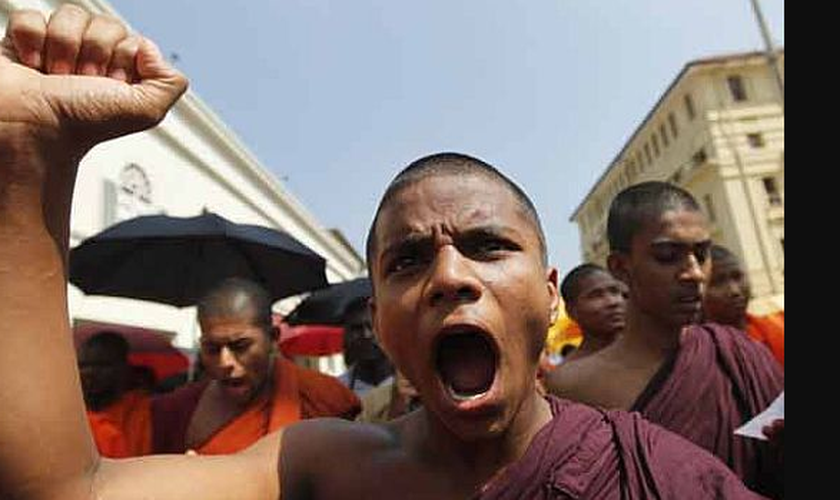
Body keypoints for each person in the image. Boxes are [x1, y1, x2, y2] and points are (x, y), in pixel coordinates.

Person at [0, 7, 766, 499]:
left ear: (550, 293)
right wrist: (31, 158)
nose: (450, 277)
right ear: (380, 319)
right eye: (407, 262)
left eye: (488, 246)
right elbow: (66, 489)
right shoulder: (320, 466)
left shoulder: (663, 476)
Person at [545, 182, 784, 498]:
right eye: (668, 256)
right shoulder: (571, 388)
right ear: (620, 267)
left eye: (702, 254)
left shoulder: (740, 355)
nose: (694, 273)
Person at [152, 277, 361, 454]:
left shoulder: (323, 398)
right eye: (212, 349)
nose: (225, 363)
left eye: (240, 346)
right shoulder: (177, 410)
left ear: (273, 338)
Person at [703, 244, 784, 366]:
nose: (734, 290)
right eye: (717, 282)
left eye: (737, 277)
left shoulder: (778, 324)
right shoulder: (698, 352)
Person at [77, 331, 152, 458]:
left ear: (124, 368)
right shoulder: (67, 413)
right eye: (83, 365)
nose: (89, 372)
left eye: (101, 365)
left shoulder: (148, 412)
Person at [557, 264, 626, 362]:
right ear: (572, 311)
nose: (613, 302)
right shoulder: (570, 373)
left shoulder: (649, 353)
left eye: (614, 291)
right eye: (596, 295)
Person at [338, 297, 394, 394]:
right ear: (346, 335)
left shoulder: (414, 382)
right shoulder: (338, 390)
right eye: (357, 329)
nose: (366, 335)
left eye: (372, 326)